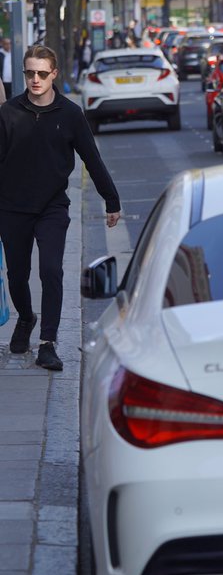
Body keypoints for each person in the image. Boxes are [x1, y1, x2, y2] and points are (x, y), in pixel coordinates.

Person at [0, 44, 121, 371]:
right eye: (29, 73)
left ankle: (48, 343)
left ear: (54, 74)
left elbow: (91, 158)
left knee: (51, 270)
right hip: (12, 207)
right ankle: (26, 319)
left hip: (52, 205)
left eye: (41, 73)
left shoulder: (70, 114)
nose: (35, 79)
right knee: (17, 275)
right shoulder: (8, 113)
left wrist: (111, 199)